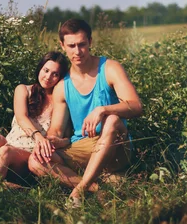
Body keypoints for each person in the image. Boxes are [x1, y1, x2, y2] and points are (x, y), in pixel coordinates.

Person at [28, 19, 142, 206]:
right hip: (83, 146)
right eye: (71, 45)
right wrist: (51, 141)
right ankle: (100, 187)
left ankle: (78, 191)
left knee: (112, 120)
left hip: (116, 145)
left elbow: (136, 106)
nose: (77, 51)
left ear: (90, 41)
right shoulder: (63, 86)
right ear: (62, 45)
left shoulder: (110, 68)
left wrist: (103, 110)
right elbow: (56, 129)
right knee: (35, 161)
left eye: (82, 44)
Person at [0, 51, 69, 187]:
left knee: (6, 151)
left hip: (30, 157)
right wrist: (38, 136)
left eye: (55, 74)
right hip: (10, 146)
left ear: (60, 77)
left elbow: (64, 135)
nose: (48, 77)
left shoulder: (60, 102)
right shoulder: (23, 90)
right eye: (46, 70)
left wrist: (50, 142)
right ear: (40, 68)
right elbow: (21, 117)